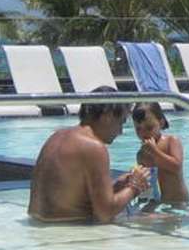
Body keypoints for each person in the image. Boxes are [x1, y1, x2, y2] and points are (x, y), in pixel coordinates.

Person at [27, 88, 151, 223]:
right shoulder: (94, 147)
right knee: (157, 219)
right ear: (108, 116)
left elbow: (73, 196)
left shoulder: (57, 136)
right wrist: (135, 186)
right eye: (121, 122)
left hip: (37, 223)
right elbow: (105, 214)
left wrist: (117, 186)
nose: (120, 131)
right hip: (67, 228)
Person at [132, 102, 189, 208]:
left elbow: (176, 166)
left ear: (161, 123)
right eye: (138, 129)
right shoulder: (141, 155)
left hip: (179, 203)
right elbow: (146, 185)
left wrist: (155, 151)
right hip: (158, 204)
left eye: (149, 128)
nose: (143, 133)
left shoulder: (171, 141)